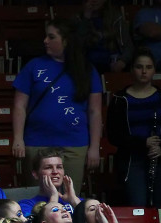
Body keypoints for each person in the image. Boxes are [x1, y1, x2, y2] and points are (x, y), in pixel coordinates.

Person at [12, 19, 103, 189]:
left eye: (51, 37)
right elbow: (19, 106)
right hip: (37, 142)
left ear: (66, 40)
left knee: (70, 197)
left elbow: (95, 111)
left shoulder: (87, 70)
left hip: (75, 144)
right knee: (37, 198)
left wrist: (94, 147)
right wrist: (18, 139)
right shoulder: (33, 66)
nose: (45, 41)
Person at [107, 49, 161, 208]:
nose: (144, 71)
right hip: (132, 161)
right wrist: (143, 143)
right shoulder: (120, 99)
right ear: (132, 69)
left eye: (148, 67)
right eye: (139, 67)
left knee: (160, 206)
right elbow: (114, 135)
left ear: (154, 70)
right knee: (138, 205)